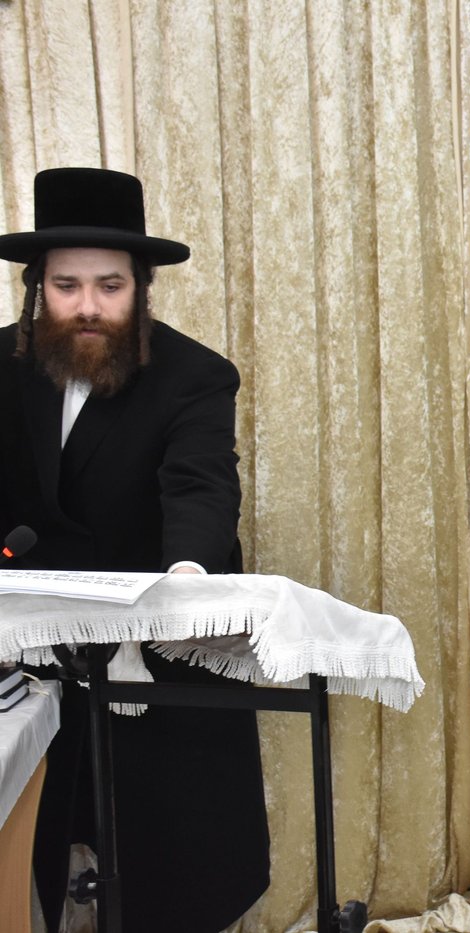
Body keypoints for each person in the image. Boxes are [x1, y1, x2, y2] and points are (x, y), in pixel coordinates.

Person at [0, 167, 270, 932]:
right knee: (37, 850)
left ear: (141, 289)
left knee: (172, 871)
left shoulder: (194, 375)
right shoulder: (1, 364)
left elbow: (201, 487)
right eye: (67, 285)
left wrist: (185, 575)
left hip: (154, 646)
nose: (88, 305)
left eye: (110, 286)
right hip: (34, 650)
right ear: (37, 287)